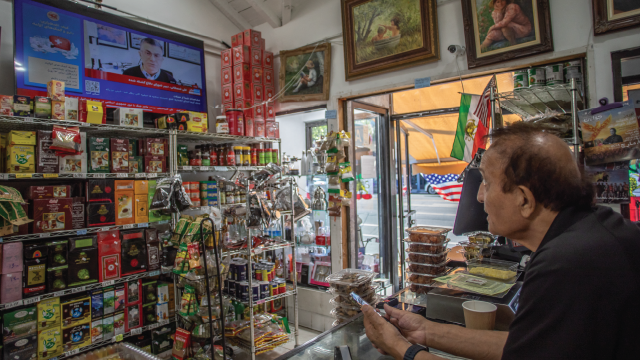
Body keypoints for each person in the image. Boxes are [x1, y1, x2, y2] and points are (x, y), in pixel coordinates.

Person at [363, 121, 640, 360]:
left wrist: (401, 348)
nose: (480, 196)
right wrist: (425, 330)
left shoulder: (567, 265)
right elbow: (526, 345)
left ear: (524, 200)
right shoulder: (592, 231)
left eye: (487, 182)